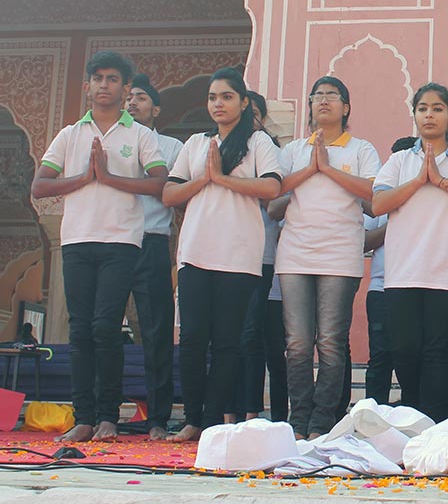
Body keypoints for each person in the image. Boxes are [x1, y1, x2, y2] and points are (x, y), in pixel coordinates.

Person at [32, 51, 168, 443]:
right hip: (77, 240)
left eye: (112, 79)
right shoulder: (70, 134)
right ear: (86, 86)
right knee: (79, 330)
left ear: (126, 89)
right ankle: (84, 417)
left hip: (121, 242)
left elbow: (160, 182)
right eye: (98, 78)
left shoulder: (139, 135)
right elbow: (40, 186)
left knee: (106, 328)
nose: (104, 85)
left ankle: (108, 416)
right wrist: (84, 178)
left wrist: (109, 178)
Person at [162, 68, 281, 441]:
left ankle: (213, 420)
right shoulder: (196, 143)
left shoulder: (258, 142)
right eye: (213, 97)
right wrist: (204, 179)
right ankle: (192, 419)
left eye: (227, 97)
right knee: (193, 338)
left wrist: (224, 179)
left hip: (239, 256)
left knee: (228, 342)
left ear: (243, 103)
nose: (218, 104)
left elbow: (272, 188)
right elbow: (169, 194)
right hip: (196, 251)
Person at [372, 83, 448, 423]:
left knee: (441, 352)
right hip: (403, 272)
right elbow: (378, 203)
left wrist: (440, 180)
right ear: (414, 115)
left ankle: (436, 425)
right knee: (405, 350)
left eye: (438, 108)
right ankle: (414, 420)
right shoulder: (400, 160)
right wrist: (418, 180)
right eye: (423, 108)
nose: (429, 114)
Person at [272, 76, 380, 439]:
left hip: (340, 253)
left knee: (331, 341)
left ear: (345, 107)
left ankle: (322, 420)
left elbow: (374, 193)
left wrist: (328, 168)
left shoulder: (361, 149)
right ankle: (298, 419)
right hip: (295, 253)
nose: (323, 101)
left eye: (332, 95)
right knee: (297, 342)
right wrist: (310, 168)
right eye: (317, 95)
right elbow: (273, 195)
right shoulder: (292, 151)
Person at [123, 74, 182, 440]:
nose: (132, 102)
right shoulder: (111, 140)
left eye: (141, 97)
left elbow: (172, 192)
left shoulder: (171, 147)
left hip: (152, 242)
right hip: (113, 242)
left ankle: (158, 418)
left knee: (156, 331)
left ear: (156, 109)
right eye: (129, 97)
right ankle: (100, 414)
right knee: (102, 329)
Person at [230, 91, 282, 424]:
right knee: (231, 337)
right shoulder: (218, 148)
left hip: (264, 257)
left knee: (260, 340)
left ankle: (255, 414)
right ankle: (228, 412)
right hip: (227, 255)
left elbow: (274, 202)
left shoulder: (271, 152)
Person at [363, 136, 417, 406]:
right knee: (380, 356)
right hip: (381, 288)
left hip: (417, 288)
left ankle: (413, 412)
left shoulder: (427, 199)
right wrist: (395, 221)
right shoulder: (381, 200)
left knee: (412, 357)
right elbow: (364, 241)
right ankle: (373, 415)